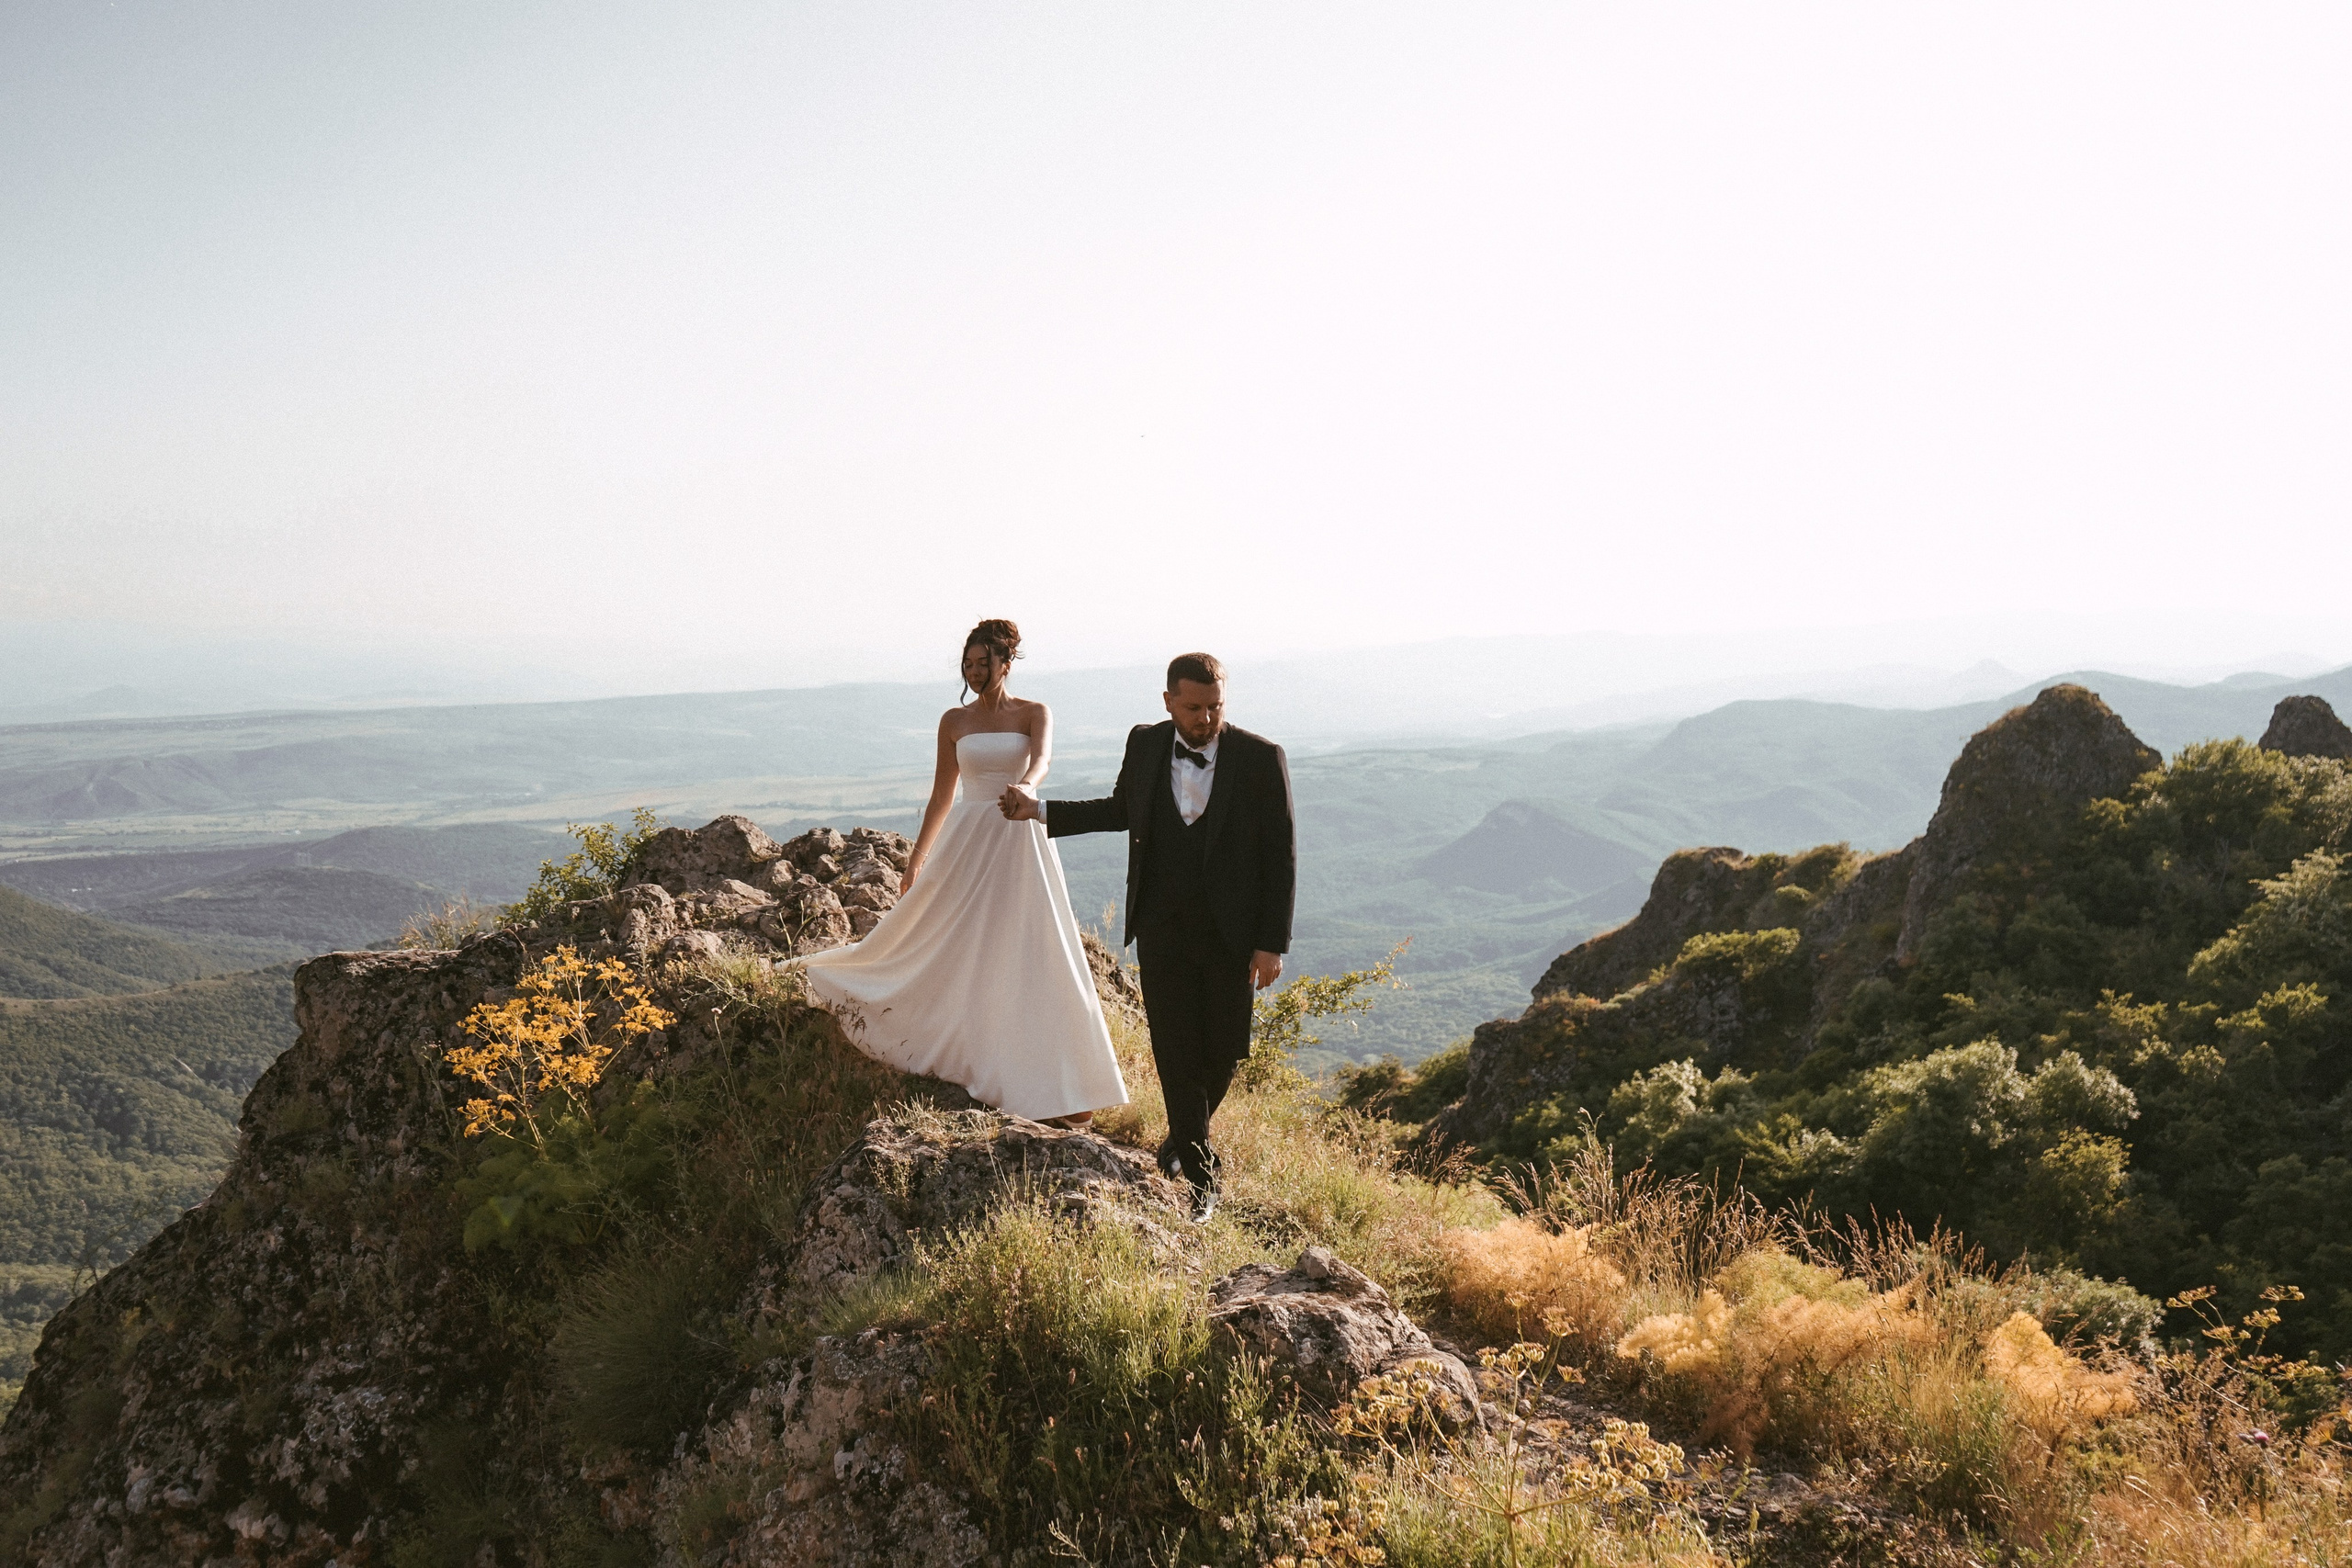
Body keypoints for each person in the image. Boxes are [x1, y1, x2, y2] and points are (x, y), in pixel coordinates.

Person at [794, 619, 1127, 1124]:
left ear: (1006, 663)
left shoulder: (1036, 711)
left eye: (983, 664)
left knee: (1033, 948)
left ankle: (1062, 1084)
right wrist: (916, 858)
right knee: (957, 944)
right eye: (967, 665)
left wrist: (1028, 788)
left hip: (1019, 833)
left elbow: (1043, 759)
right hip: (968, 839)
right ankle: (975, 1055)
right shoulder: (954, 720)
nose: (974, 673)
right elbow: (941, 794)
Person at [1000, 652, 1295, 1219]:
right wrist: (1040, 811)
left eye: (1215, 707)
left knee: (1226, 1049)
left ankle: (1183, 1136)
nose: (1206, 718)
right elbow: (1120, 809)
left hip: (1232, 936)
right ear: (1168, 702)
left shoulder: (1261, 758)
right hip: (1161, 926)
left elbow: (1280, 857)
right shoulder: (1145, 743)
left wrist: (1271, 942)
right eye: (1193, 707)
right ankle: (1202, 1180)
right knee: (1175, 1049)